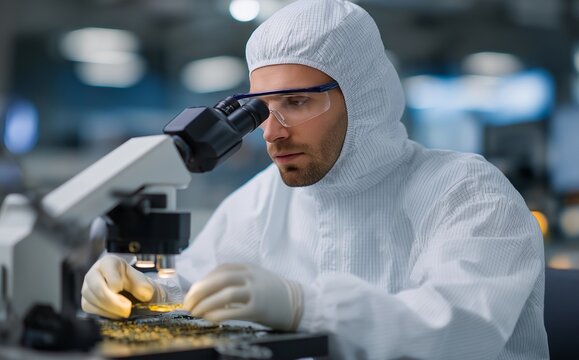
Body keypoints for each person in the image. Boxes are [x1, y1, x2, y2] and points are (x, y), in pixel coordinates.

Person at [80, 0, 548, 358]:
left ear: (361, 99)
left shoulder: (464, 191)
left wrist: (306, 307)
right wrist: (141, 289)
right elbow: (198, 288)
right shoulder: (261, 200)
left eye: (297, 103)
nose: (271, 131)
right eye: (261, 108)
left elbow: (460, 331)